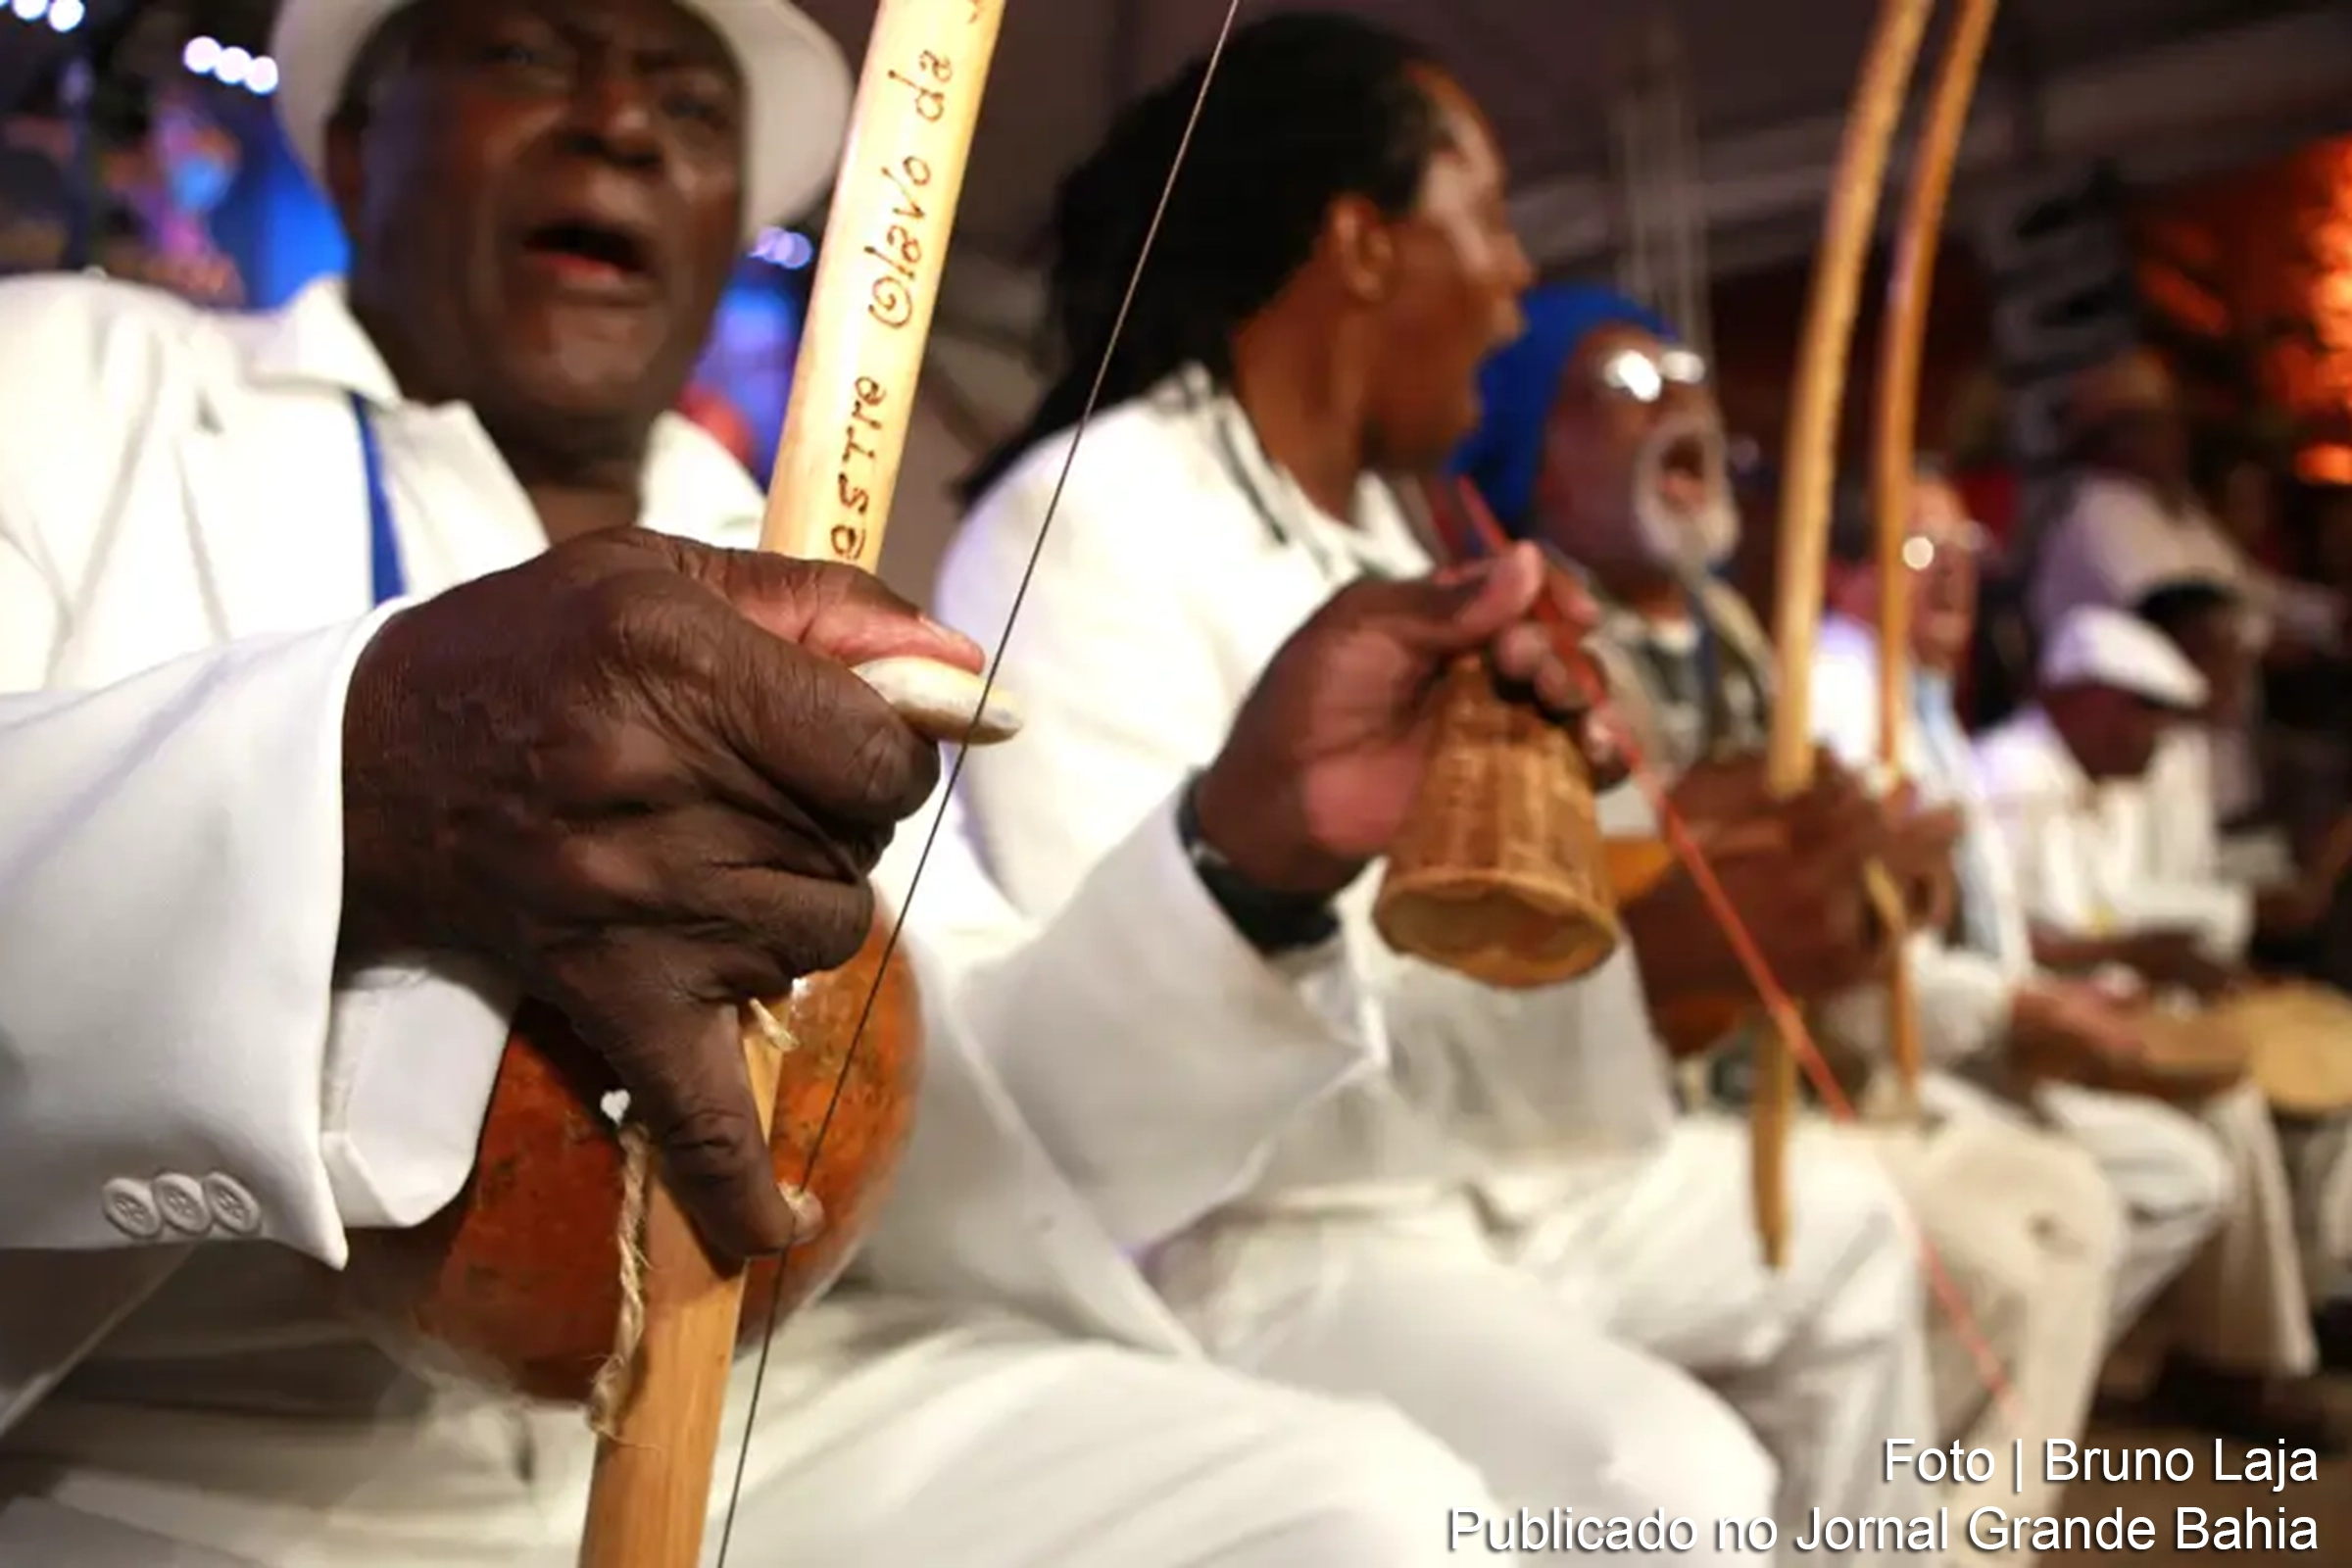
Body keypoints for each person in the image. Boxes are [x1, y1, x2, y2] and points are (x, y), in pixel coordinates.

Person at [0, 1, 1642, 1562]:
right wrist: (362, 785)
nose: (625, 123)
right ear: (356, 151)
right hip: (190, 1441)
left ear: (729, 218)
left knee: (1369, 1514)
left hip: (761, 1403)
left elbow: (997, 1158)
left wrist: (1250, 848)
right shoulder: (70, 388)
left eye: (692, 102)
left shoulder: (790, 553)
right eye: (524, 48)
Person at [941, 15, 1946, 1555]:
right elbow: (1101, 1086)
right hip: (1250, 1239)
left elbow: (1559, 891)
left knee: (1862, 1232)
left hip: (1475, 1177)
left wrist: (1739, 853)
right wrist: (1650, 969)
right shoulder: (1090, 521)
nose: (1511, 290)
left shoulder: (1400, 550)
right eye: (1485, 218)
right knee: (1668, 1487)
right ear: (1360, 242)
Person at [1451, 284, 2129, 1552]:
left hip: (1815, 1078)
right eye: (1631, 390)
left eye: (1692, 376)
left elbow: (1810, 885)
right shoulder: (1526, 640)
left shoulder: (1738, 639)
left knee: (2072, 1207)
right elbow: (1586, 924)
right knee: (1981, 1255)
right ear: (1535, 448)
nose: (1687, 406)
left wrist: (1886, 887)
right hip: (1650, 1119)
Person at [1812, 478, 2342, 1448]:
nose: (1953, 580)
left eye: (1966, 550)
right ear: (1843, 571)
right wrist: (2031, 1003)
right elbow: (1865, 942)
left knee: (2192, 1140)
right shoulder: (1845, 704)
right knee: (2116, 1194)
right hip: (1901, 1054)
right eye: (1919, 553)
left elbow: (1985, 915)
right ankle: (1947, 1430)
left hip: (1975, 1017)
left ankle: (2210, 1358)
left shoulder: (1913, 698)